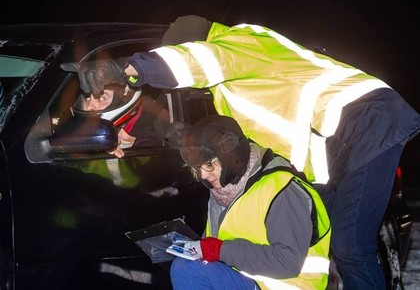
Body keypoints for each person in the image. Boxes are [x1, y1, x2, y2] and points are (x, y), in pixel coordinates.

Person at [61, 15, 420, 289]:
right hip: (331, 154)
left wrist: (130, 68)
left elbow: (201, 60)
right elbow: (213, 142)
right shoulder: (230, 96)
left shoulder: (240, 42)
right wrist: (136, 136)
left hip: (366, 120)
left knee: (350, 247)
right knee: (322, 244)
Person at [166, 114, 331, 290]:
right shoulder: (221, 192)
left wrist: (219, 250)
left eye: (208, 165)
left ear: (230, 156)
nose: (203, 175)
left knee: (186, 270)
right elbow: (221, 247)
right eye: (197, 169)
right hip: (247, 278)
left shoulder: (280, 189)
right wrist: (194, 248)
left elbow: (287, 262)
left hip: (287, 285)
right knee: (184, 263)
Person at [70, 82, 162, 157]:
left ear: (124, 102)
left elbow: (151, 167)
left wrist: (123, 149)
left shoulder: (144, 136)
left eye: (102, 97)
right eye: (87, 98)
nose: (89, 106)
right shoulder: (78, 131)